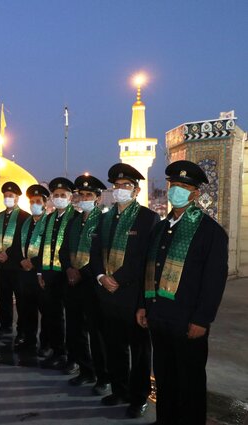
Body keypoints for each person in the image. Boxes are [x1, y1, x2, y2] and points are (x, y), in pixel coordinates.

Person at [137, 160, 228, 425]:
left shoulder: (209, 232)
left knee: (190, 382)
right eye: (173, 185)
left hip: (188, 322)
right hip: (160, 318)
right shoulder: (160, 229)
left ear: (195, 193)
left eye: (183, 186)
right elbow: (149, 271)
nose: (176, 190)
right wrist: (144, 305)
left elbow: (214, 281)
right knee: (165, 377)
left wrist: (202, 319)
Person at [90, 163, 159, 418]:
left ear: (136, 190)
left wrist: (117, 278)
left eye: (125, 186)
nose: (120, 190)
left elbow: (144, 260)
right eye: (117, 186)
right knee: (114, 346)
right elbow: (95, 252)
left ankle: (138, 396)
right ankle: (119, 389)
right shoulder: (106, 218)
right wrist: (100, 276)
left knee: (139, 351)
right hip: (107, 294)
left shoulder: (148, 218)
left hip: (132, 296)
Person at [59, 174, 110, 394]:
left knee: (97, 334)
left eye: (89, 194)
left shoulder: (104, 221)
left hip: (93, 285)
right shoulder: (73, 222)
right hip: (73, 284)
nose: (85, 197)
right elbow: (63, 250)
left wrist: (83, 272)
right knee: (75, 329)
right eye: (82, 194)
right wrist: (69, 269)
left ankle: (103, 376)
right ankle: (85, 370)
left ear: (98, 198)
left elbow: (101, 255)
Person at [38, 177, 78, 370]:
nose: (59, 198)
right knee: (53, 315)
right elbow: (41, 247)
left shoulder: (75, 218)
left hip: (67, 274)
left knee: (72, 319)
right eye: (56, 195)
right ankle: (57, 351)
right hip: (50, 274)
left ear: (70, 198)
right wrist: (41, 273)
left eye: (63, 195)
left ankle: (73, 357)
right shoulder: (49, 219)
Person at [0, 182, 30, 340]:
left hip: (17, 266)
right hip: (2, 266)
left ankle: (22, 330)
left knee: (21, 300)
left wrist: (9, 255)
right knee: (3, 298)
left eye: (11, 196)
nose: (8, 198)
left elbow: (23, 240)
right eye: (6, 196)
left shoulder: (24, 217)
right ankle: (5, 326)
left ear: (17, 198)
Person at [17, 184, 49, 352]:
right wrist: (22, 260)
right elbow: (18, 246)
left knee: (46, 313)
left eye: (38, 201)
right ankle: (29, 341)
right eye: (32, 201)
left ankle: (45, 344)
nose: (34, 204)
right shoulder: (25, 223)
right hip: (26, 275)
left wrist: (35, 264)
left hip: (41, 274)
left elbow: (49, 248)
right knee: (27, 311)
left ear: (45, 203)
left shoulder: (49, 222)